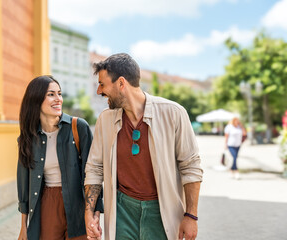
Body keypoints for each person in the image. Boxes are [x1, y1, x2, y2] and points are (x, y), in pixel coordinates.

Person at [84, 53, 203, 240]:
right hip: (121, 211)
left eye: (102, 84)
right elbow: (94, 168)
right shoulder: (105, 120)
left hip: (161, 213)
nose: (99, 91)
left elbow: (191, 167)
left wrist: (191, 215)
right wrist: (89, 211)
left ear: (121, 83)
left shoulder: (174, 113)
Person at [17, 76, 103, 240]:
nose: (59, 99)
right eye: (51, 94)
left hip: (79, 205)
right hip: (47, 205)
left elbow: (93, 175)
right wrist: (24, 227)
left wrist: (95, 216)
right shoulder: (28, 138)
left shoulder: (79, 128)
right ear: (36, 99)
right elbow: (24, 185)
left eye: (60, 93)